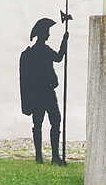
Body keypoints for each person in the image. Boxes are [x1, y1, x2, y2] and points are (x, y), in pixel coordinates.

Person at [18, 15, 69, 164]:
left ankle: (40, 156)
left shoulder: (34, 51)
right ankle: (53, 157)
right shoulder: (43, 50)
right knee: (54, 121)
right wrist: (64, 41)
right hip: (45, 93)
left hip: (38, 94)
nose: (49, 33)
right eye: (47, 31)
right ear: (42, 34)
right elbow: (59, 57)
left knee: (39, 123)